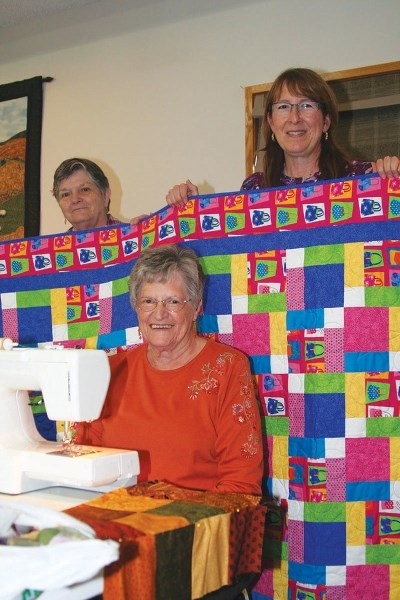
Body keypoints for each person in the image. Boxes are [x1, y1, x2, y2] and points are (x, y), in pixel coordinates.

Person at [75, 243, 263, 495]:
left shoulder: (227, 368)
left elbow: (240, 481)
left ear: (196, 307)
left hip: (196, 524)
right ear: (136, 307)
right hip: (115, 520)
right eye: (149, 301)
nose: (159, 314)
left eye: (173, 301)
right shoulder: (110, 372)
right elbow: (84, 463)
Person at [166, 67, 400, 205]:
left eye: (307, 106)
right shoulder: (254, 189)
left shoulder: (361, 178)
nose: (295, 118)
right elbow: (232, 252)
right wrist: (194, 208)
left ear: (326, 121)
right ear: (270, 121)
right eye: (283, 107)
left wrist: (393, 178)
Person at [52, 157, 146, 230]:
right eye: (66, 194)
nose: (75, 199)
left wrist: (154, 243)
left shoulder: (135, 239)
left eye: (85, 190)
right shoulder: (52, 253)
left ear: (105, 196)